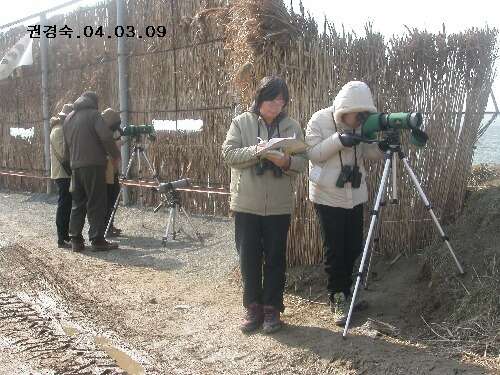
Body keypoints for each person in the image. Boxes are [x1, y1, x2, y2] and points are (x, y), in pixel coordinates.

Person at [222, 76, 307, 334]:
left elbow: (303, 162)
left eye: (281, 100)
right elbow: (228, 154)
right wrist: (258, 152)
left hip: (279, 206)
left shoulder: (292, 125)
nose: (277, 104)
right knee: (248, 258)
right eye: (272, 99)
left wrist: (285, 162)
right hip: (247, 204)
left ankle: (272, 308)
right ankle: (253, 308)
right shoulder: (241, 123)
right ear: (260, 99)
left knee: (275, 258)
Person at [305, 81, 385, 326]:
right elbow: (313, 154)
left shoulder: (361, 125)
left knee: (353, 246)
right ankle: (337, 296)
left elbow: (369, 155)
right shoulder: (319, 120)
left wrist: (381, 145)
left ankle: (348, 292)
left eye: (363, 115)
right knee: (335, 249)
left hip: (355, 194)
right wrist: (340, 140)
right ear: (344, 109)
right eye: (356, 114)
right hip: (327, 196)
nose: (359, 119)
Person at [63, 91, 121, 252]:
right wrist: (115, 155)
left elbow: (65, 147)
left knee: (78, 203)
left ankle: (75, 240)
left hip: (76, 166)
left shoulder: (68, 118)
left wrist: (70, 166)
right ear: (94, 102)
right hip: (94, 165)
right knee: (96, 201)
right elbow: (106, 137)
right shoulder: (94, 115)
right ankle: (97, 239)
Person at [50, 103, 73, 248]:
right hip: (63, 173)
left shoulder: (60, 129)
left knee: (67, 204)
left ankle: (65, 235)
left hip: (64, 173)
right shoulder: (58, 131)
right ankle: (62, 237)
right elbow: (64, 154)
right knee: (64, 205)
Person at [101, 108, 123, 237]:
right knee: (108, 199)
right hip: (106, 171)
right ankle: (106, 227)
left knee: (113, 197)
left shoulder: (112, 132)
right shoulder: (102, 133)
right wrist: (117, 145)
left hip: (112, 170)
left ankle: (110, 225)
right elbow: (107, 150)